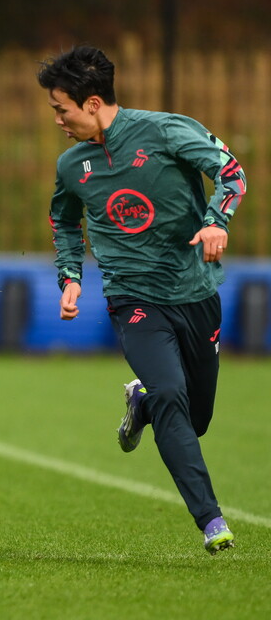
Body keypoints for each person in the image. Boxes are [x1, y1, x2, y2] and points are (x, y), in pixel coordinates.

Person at [37, 46, 246, 554]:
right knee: (172, 394)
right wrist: (70, 277)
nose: (58, 120)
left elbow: (232, 173)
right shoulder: (71, 166)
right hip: (132, 299)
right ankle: (211, 519)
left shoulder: (167, 131)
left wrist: (216, 221)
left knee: (193, 418)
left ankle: (143, 402)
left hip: (195, 293)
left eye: (61, 109)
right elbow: (63, 219)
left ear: (91, 103)